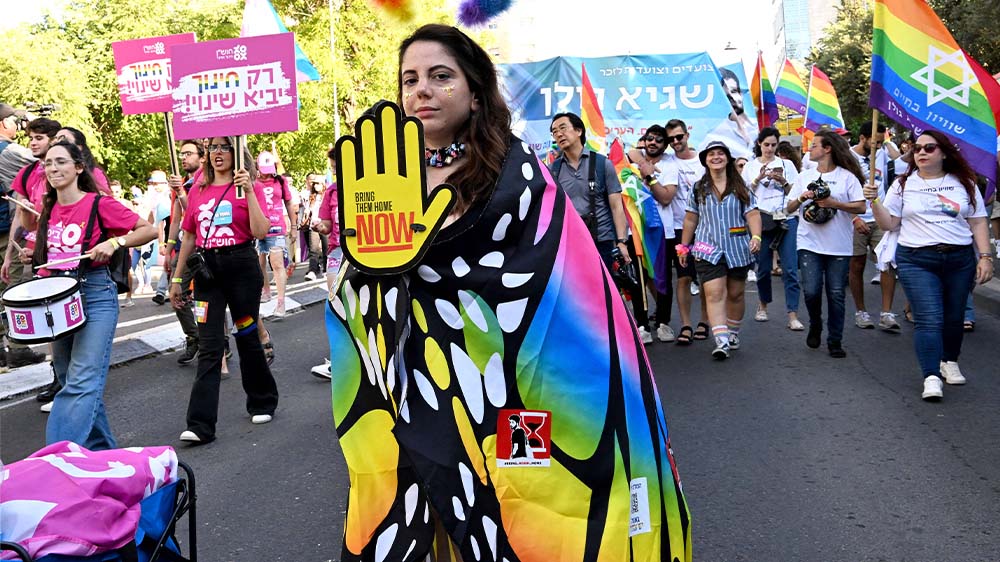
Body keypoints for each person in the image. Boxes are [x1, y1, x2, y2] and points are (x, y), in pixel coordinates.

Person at [327, 24, 690, 561]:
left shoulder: (516, 172)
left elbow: (557, 271)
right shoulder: (379, 174)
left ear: (475, 94)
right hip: (416, 381)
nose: (420, 89)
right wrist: (374, 262)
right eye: (409, 79)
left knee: (525, 509)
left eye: (439, 76)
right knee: (431, 511)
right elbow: (356, 285)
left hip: (516, 387)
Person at [23, 141, 155, 449]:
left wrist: (116, 243)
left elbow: (148, 230)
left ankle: (56, 457)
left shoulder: (99, 203)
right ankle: (107, 457)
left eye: (60, 162)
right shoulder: (49, 207)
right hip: (56, 297)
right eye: (48, 164)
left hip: (94, 293)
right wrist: (32, 256)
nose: (52, 169)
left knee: (82, 380)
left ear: (79, 167)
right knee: (70, 379)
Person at [168, 136, 279, 444]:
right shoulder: (198, 191)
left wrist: (250, 191)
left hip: (242, 267)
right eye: (213, 148)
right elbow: (189, 236)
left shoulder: (249, 188)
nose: (217, 153)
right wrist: (178, 280)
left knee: (246, 335)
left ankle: (262, 400)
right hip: (206, 273)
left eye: (224, 147)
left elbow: (260, 231)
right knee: (210, 344)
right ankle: (200, 425)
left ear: (237, 153)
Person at [871, 131, 993, 400]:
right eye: (917, 148)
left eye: (929, 148)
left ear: (945, 153)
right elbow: (889, 224)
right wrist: (875, 202)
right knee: (929, 318)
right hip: (916, 259)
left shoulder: (964, 183)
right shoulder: (903, 184)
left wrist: (985, 256)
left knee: (954, 317)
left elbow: (978, 221)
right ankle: (931, 376)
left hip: (959, 259)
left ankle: (949, 361)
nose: (921, 153)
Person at [785, 130, 867, 358]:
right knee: (811, 291)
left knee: (836, 293)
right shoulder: (804, 176)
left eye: (814, 145)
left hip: (838, 245)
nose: (810, 149)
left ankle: (835, 340)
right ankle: (815, 324)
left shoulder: (847, 177)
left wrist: (833, 203)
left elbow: (861, 207)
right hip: (809, 243)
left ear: (827, 148)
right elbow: (788, 208)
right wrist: (802, 197)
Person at [677, 140, 761, 359]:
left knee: (735, 293)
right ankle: (721, 341)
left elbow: (752, 213)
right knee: (714, 293)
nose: (716, 157)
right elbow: (690, 219)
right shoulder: (698, 188)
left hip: (738, 248)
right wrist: (684, 247)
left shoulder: (741, 186)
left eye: (720, 154)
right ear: (705, 160)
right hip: (707, 248)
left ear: (728, 159)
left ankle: (732, 333)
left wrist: (756, 236)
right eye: (711, 154)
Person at [0, 104, 49, 370]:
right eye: (13, 120)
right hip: (7, 230)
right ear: (3, 123)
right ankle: (17, 347)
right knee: (14, 287)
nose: (17, 126)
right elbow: (48, 165)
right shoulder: (9, 150)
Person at [742, 127, 803, 330]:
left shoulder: (786, 165)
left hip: (786, 218)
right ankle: (762, 305)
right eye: (766, 144)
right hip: (761, 219)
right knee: (764, 268)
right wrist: (758, 178)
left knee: (790, 268)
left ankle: (792, 314)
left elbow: (796, 193)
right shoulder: (750, 166)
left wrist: (782, 180)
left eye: (773, 145)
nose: (769, 149)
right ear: (759, 144)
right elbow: (743, 195)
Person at [849, 121, 902, 332]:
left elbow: (899, 160)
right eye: (875, 141)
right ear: (862, 138)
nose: (878, 145)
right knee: (857, 265)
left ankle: (886, 313)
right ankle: (861, 311)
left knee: (887, 264)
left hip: (880, 216)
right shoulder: (847, 157)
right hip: (857, 217)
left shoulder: (881, 152)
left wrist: (885, 142)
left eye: (881, 141)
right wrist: (854, 217)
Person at [661, 119, 710, 344]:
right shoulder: (667, 161)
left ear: (687, 135)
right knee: (684, 277)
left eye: (679, 137)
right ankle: (686, 325)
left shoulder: (703, 161)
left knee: (707, 277)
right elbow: (633, 152)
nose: (675, 142)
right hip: (681, 229)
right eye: (671, 139)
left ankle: (705, 322)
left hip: (707, 229)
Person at [626, 124, 672, 342]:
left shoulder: (670, 166)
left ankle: (663, 323)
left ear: (665, 145)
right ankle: (642, 325)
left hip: (663, 231)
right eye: (650, 138)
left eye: (659, 140)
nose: (654, 142)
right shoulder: (631, 162)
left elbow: (665, 197)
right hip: (635, 230)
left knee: (661, 277)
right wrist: (642, 164)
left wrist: (650, 178)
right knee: (637, 279)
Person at [165, 140, 204, 365]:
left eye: (188, 153)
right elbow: (178, 219)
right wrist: (168, 249)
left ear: (201, 157)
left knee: (209, 297)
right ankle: (193, 336)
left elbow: (195, 215)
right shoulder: (181, 183)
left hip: (208, 248)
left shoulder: (206, 179)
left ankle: (222, 340)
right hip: (187, 248)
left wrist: (181, 192)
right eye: (181, 154)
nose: (183, 157)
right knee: (176, 290)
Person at [310, 148, 344, 380]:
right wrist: (319, 227)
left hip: (365, 252)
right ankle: (340, 361)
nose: (334, 171)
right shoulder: (331, 191)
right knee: (336, 301)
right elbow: (326, 224)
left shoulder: (367, 183)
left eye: (336, 166)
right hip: (337, 250)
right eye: (332, 167)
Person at [255, 151, 297, 317]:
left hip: (277, 226)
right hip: (258, 226)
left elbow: (288, 202)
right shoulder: (252, 182)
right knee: (259, 263)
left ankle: (281, 302)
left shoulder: (280, 180)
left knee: (278, 263)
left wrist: (293, 226)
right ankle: (266, 290)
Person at [53, 127, 111, 193]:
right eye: (55, 139)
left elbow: (104, 199)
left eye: (63, 139)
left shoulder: (94, 173)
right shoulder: (50, 173)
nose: (58, 143)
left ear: (79, 147)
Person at [302, 174, 327, 281]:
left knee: (327, 249)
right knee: (313, 249)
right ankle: (312, 270)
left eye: (318, 183)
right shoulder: (312, 197)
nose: (316, 186)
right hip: (314, 225)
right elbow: (308, 210)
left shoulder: (327, 195)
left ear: (323, 184)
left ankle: (326, 269)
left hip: (325, 224)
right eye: (314, 184)